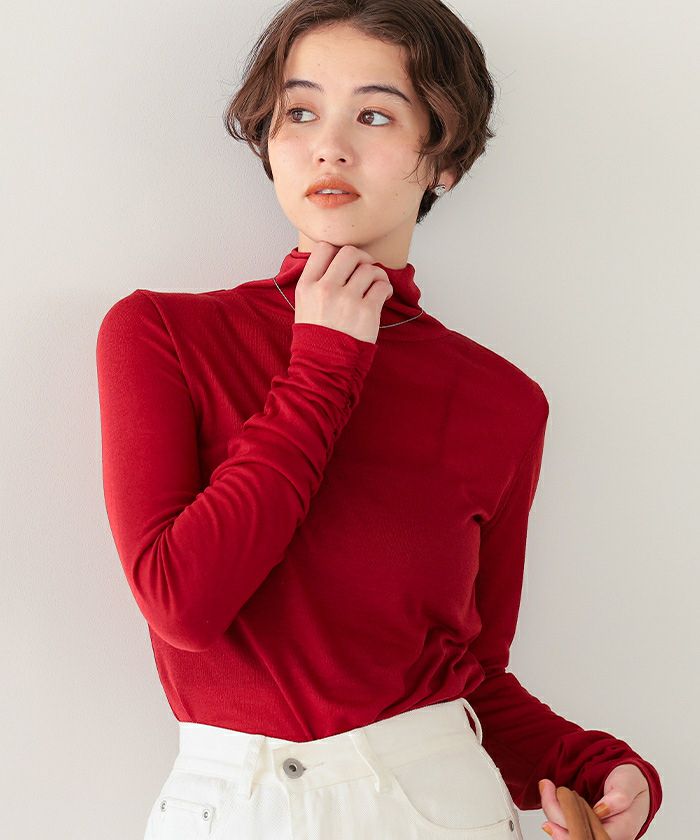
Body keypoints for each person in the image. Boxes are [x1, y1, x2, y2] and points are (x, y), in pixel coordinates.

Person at [95, 2, 662, 838]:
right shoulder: (162, 334)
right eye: (299, 111)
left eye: (374, 114)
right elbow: (182, 604)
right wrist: (324, 369)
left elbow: (466, 677)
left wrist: (596, 766)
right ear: (268, 141)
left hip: (440, 808)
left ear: (444, 161)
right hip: (234, 809)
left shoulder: (503, 400)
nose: (329, 146)